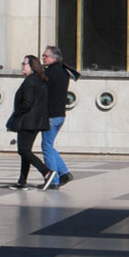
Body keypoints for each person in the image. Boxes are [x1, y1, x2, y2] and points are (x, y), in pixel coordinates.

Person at [40, 45, 78, 189]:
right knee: (49, 146)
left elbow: (44, 92)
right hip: (60, 115)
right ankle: (64, 173)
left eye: (46, 56)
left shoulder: (50, 72)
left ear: (54, 58)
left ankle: (54, 180)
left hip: (51, 115)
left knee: (47, 147)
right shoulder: (63, 71)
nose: (43, 58)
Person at [8, 57, 47, 188]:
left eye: (24, 64)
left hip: (28, 120)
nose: (22, 66)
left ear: (32, 66)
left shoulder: (30, 81)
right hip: (34, 120)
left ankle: (46, 172)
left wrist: (17, 113)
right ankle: (22, 180)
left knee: (24, 151)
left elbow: (27, 103)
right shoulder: (37, 80)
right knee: (25, 151)